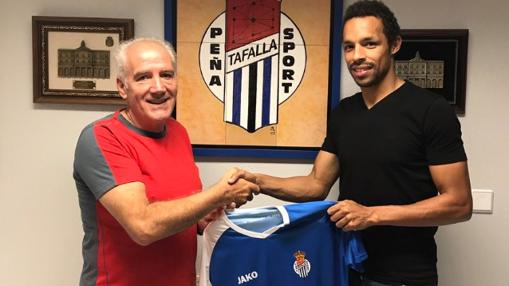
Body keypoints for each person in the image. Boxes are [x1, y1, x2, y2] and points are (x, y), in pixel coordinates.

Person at [229, 1, 472, 285]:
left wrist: (372, 215)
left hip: (405, 276)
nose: (357, 56)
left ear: (394, 45)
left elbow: (459, 203)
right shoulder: (344, 112)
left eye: (369, 44)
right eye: (349, 46)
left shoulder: (431, 110)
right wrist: (257, 180)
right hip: (345, 266)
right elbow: (316, 185)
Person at [73, 37, 259, 286]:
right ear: (121, 86)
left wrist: (204, 215)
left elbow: (180, 211)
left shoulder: (178, 132)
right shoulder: (102, 137)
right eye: (143, 77)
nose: (158, 87)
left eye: (167, 75)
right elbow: (144, 226)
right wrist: (217, 194)